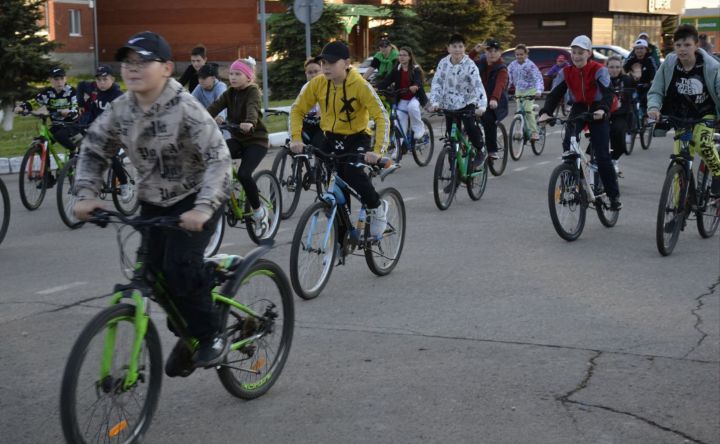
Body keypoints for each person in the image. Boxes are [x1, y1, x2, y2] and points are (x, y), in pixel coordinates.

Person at [72, 31, 233, 375]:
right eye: (128, 61)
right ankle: (189, 329)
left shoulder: (186, 107)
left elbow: (219, 159)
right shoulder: (121, 108)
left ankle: (210, 335)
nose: (133, 68)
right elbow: (94, 148)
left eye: (143, 61)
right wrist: (86, 194)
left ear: (167, 68)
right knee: (153, 276)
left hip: (198, 196)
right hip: (153, 201)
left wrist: (203, 208)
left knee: (179, 269)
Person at [289, 40, 390, 237]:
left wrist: (377, 152)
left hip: (357, 138)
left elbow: (381, 116)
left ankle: (376, 207)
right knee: (334, 184)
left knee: (352, 172)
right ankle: (342, 236)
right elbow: (297, 109)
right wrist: (296, 139)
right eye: (324, 63)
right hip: (331, 137)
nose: (326, 67)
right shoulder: (317, 84)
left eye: (331, 63)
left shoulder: (360, 85)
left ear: (346, 63)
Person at [539, 35, 622, 211]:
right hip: (579, 107)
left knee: (601, 155)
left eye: (581, 53)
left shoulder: (599, 70)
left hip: (598, 108)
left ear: (589, 53)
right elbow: (554, 94)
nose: (577, 56)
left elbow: (608, 93)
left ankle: (613, 195)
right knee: (568, 143)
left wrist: (603, 110)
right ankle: (571, 183)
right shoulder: (566, 72)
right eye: (574, 52)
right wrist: (546, 113)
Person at [648, 24, 720, 197]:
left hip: (705, 114)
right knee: (680, 157)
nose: (682, 49)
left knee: (702, 143)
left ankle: (718, 174)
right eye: (678, 45)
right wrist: (654, 108)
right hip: (680, 116)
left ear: (696, 46)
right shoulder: (669, 65)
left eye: (687, 45)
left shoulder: (711, 67)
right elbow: (656, 89)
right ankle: (679, 207)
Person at [206, 57, 270, 235]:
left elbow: (252, 108)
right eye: (231, 74)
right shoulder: (229, 93)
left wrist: (249, 122)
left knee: (244, 173)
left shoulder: (252, 92)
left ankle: (259, 211)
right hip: (238, 139)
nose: (233, 77)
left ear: (248, 77)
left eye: (237, 74)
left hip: (256, 141)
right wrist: (199, 118)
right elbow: (214, 107)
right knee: (216, 155)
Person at [429, 33, 488, 169]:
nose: (457, 49)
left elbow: (477, 85)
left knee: (469, 125)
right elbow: (437, 83)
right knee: (451, 139)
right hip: (449, 104)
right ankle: (454, 173)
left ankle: (480, 150)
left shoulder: (469, 64)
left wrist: (482, 106)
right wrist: (435, 103)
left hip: (467, 102)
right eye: (454, 46)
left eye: (460, 46)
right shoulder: (443, 63)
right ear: (448, 48)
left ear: (464, 48)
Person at [76, 65, 131, 201]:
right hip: (99, 130)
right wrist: (82, 111)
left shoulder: (118, 96)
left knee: (110, 155)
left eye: (105, 79)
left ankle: (124, 184)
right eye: (99, 80)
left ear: (112, 79)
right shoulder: (97, 92)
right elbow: (93, 110)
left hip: (115, 132)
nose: (101, 83)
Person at [377, 46, 429, 156]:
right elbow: (387, 80)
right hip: (403, 99)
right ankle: (399, 148)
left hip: (415, 97)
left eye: (404, 55)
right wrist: (376, 88)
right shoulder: (397, 69)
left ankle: (419, 129)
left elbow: (418, 81)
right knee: (398, 121)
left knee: (412, 108)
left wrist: (415, 85)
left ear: (410, 57)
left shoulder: (415, 68)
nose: (401, 57)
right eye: (400, 55)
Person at [476, 38, 509, 160]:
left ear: (500, 52)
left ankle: (492, 150)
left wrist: (494, 99)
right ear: (485, 52)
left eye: (495, 51)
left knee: (488, 119)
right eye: (489, 51)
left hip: (495, 101)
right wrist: (474, 51)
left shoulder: (502, 68)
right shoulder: (481, 63)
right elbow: (464, 64)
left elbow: (500, 85)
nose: (492, 53)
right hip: (478, 99)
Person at [507, 44, 544, 140]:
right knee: (519, 111)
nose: (519, 56)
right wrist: (505, 89)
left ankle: (534, 132)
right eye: (517, 54)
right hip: (519, 90)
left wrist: (539, 90)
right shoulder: (512, 65)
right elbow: (508, 78)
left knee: (527, 111)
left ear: (526, 55)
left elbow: (538, 78)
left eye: (521, 54)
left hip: (530, 89)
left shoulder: (530, 65)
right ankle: (520, 130)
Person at [606, 55, 634, 176]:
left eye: (617, 67)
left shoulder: (626, 80)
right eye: (611, 67)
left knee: (619, 135)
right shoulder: (602, 78)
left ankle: (614, 160)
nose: (614, 70)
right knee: (597, 137)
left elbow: (630, 99)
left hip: (621, 114)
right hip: (603, 114)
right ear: (606, 67)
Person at [191, 63, 228, 138]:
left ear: (213, 78)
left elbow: (221, 104)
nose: (200, 80)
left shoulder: (221, 87)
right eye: (199, 77)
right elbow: (190, 101)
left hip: (224, 123)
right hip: (206, 121)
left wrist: (220, 117)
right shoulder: (199, 87)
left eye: (204, 78)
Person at [624, 39, 657, 118]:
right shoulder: (631, 59)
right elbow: (623, 71)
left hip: (646, 88)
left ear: (646, 49)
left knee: (646, 103)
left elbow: (655, 74)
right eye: (637, 48)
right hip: (633, 88)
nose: (639, 50)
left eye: (642, 48)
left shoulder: (650, 60)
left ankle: (646, 119)